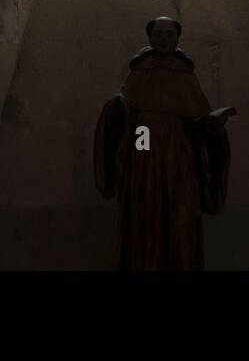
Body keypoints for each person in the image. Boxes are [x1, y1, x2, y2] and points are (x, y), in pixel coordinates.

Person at [94, 16, 236, 270]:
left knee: (180, 218)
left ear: (177, 38)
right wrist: (116, 107)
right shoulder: (139, 71)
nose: (163, 39)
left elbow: (197, 121)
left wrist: (212, 124)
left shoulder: (185, 73)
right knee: (144, 215)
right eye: (158, 34)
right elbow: (125, 109)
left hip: (179, 160)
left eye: (169, 34)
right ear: (149, 38)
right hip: (144, 157)